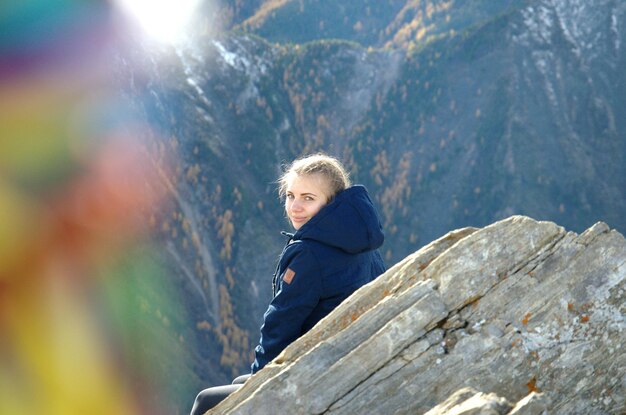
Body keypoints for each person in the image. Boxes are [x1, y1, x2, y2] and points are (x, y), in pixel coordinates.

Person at [190, 153, 386, 415]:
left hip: (314, 374)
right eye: (291, 195)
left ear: (331, 203)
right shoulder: (363, 242)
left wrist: (258, 386)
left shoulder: (310, 253)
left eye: (308, 198)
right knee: (237, 383)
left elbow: (280, 322)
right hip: (349, 363)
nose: (295, 207)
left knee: (206, 401)